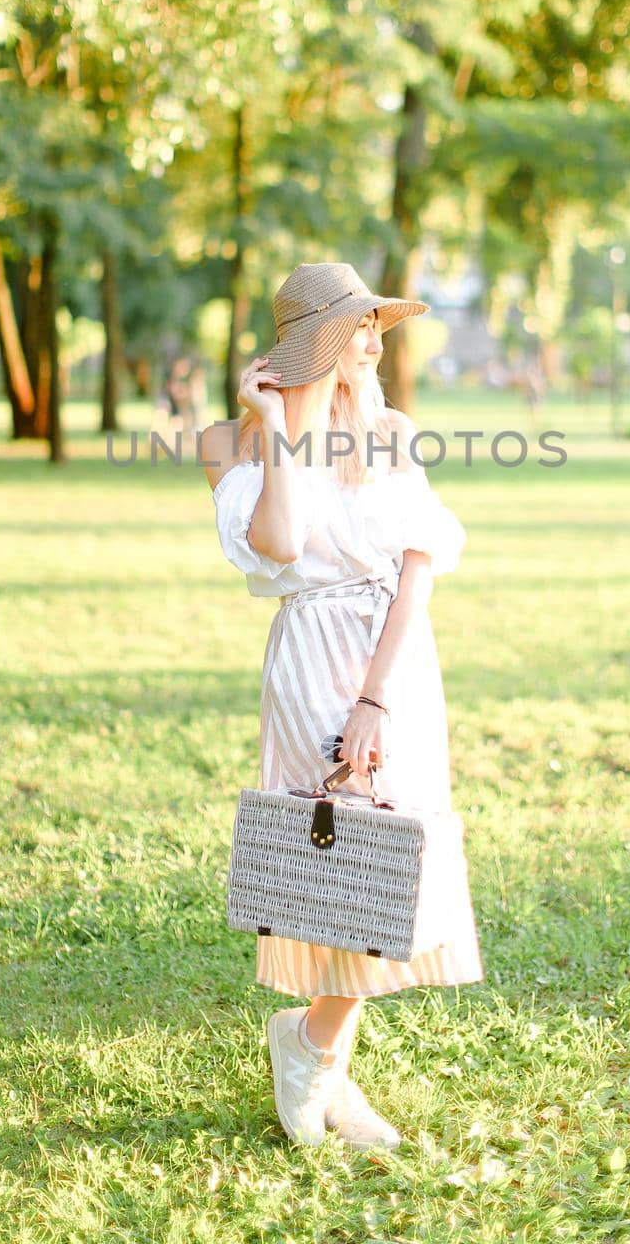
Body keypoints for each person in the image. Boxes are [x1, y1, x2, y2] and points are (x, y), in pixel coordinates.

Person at [202, 261, 484, 1154]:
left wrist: (375, 696)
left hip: (390, 662)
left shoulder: (390, 429)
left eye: (375, 325)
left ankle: (314, 1048)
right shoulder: (231, 441)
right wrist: (272, 424)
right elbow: (278, 542)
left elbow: (417, 566)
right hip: (309, 650)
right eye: (359, 326)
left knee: (386, 862)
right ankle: (321, 1063)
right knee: (340, 861)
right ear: (317, 339)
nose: (376, 340)